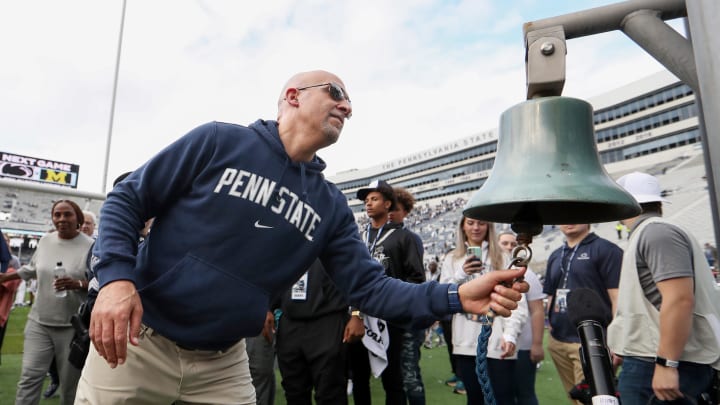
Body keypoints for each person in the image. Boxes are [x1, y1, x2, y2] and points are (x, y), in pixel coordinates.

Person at [77, 70, 528, 404]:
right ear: (292, 96)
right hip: (139, 344)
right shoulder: (219, 142)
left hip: (222, 363)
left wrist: (456, 296)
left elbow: (370, 288)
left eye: (349, 104)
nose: (347, 107)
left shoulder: (330, 205)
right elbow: (126, 200)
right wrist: (117, 280)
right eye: (336, 94)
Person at [608, 172, 720, 404]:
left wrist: (667, 363)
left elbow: (679, 300)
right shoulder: (650, 231)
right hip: (652, 356)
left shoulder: (655, 232)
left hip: (661, 360)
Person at [0, 200, 93, 404]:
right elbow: (32, 268)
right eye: (57, 214)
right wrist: (5, 277)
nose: (61, 219)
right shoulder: (45, 241)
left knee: (70, 386)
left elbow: (99, 282)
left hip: (73, 327)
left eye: (67, 214)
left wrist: (77, 283)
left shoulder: (91, 246)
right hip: (39, 322)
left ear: (77, 218)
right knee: (29, 378)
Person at [348, 179, 426, 405]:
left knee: (393, 380)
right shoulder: (358, 237)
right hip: (360, 316)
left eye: (374, 199)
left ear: (388, 203)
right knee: (360, 378)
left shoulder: (405, 237)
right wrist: (354, 312)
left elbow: (417, 279)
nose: (368, 204)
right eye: (366, 200)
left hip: (391, 319)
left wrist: (394, 300)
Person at [440, 216, 528, 404]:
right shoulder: (452, 258)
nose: (476, 227)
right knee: (475, 399)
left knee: (503, 398)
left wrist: (511, 334)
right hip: (465, 341)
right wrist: (461, 274)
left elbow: (517, 299)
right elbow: (442, 297)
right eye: (470, 223)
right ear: (462, 226)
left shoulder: (503, 256)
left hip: (497, 340)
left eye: (481, 223)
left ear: (489, 226)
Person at [543, 224, 622, 404]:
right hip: (558, 339)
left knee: (595, 398)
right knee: (575, 398)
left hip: (592, 342)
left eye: (574, 215)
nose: (568, 221)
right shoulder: (556, 254)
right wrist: (550, 321)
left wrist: (616, 338)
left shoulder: (606, 250)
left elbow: (617, 297)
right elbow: (551, 294)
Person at [275, 259, 356, 404]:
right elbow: (271, 269)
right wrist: (268, 307)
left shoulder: (335, 236)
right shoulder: (282, 237)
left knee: (330, 392)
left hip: (327, 318)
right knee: (294, 392)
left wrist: (357, 314)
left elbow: (356, 270)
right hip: (290, 320)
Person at [498, 230, 546, 405]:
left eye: (513, 244)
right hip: (498, 347)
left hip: (523, 347)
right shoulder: (492, 272)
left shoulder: (528, 275)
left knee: (524, 394)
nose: (509, 247)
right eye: (505, 243)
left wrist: (537, 344)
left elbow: (537, 310)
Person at [0, 233, 22, 364]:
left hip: (4, 305)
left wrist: (6, 278)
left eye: (7, 241)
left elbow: (16, 281)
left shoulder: (14, 260)